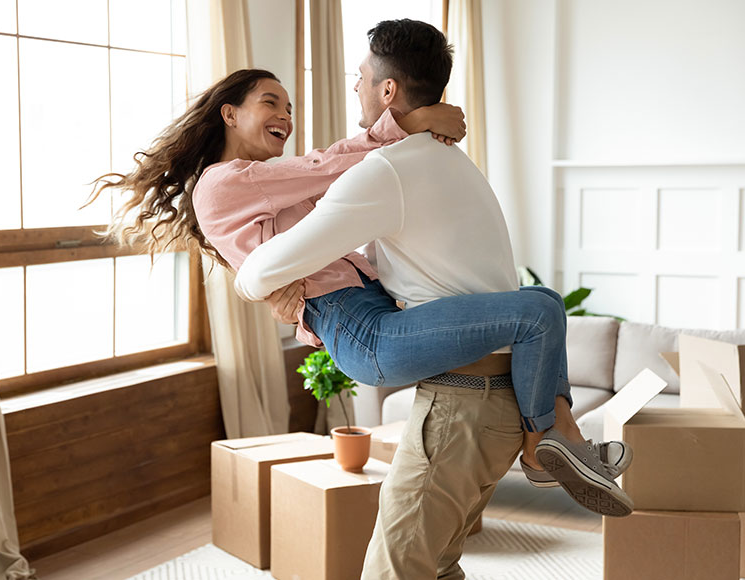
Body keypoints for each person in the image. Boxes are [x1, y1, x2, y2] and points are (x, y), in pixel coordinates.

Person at [91, 21, 630, 577]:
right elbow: (327, 170)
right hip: (359, 328)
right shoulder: (225, 181)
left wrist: (407, 128)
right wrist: (410, 122)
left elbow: (335, 183)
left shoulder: (272, 181)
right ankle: (549, 440)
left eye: (290, 106)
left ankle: (552, 441)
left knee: (537, 301)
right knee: (539, 309)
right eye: (269, 102)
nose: (287, 115)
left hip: (367, 316)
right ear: (228, 114)